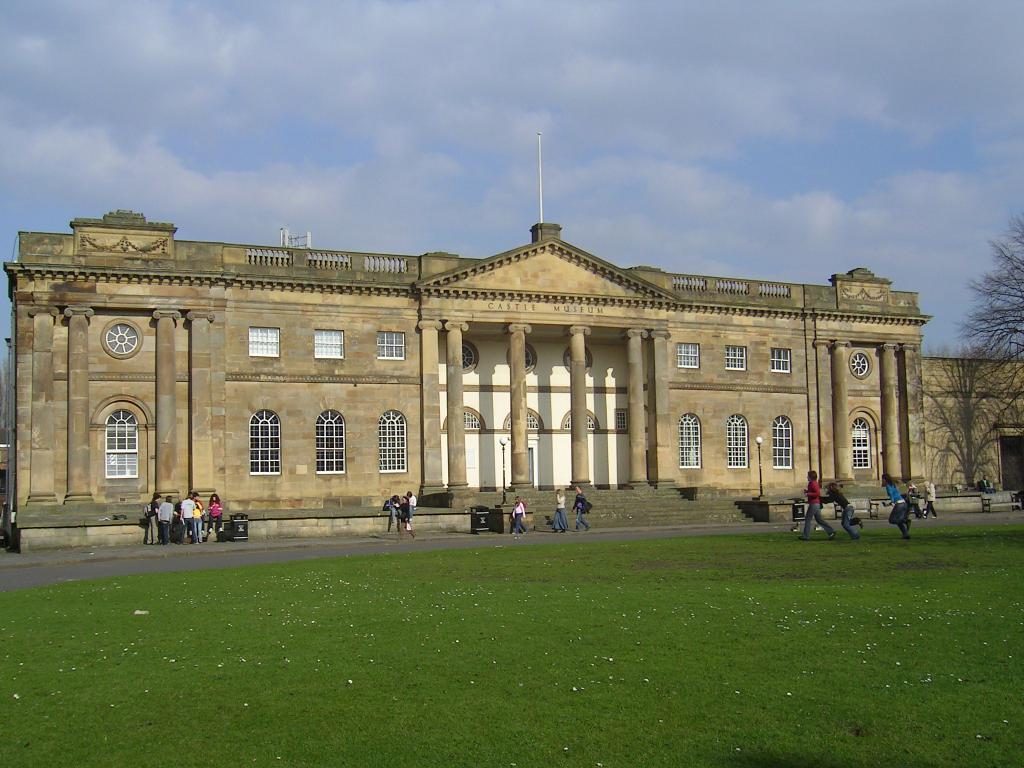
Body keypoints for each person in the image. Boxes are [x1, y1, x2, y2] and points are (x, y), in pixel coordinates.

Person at [800, 470, 835, 541]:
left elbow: (817, 493)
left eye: (808, 476)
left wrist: (808, 494)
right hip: (815, 503)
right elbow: (814, 492)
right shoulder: (812, 483)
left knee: (808, 519)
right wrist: (807, 491)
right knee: (819, 520)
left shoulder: (813, 483)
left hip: (814, 504)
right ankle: (831, 531)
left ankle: (806, 536)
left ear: (811, 477)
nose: (807, 477)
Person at [884, 473, 910, 539]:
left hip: (899, 505)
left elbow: (891, 495)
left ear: (884, 479)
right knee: (898, 521)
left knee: (891, 520)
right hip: (904, 503)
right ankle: (905, 535)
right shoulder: (894, 484)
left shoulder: (888, 486)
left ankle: (906, 521)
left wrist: (892, 502)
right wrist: (888, 504)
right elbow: (897, 495)